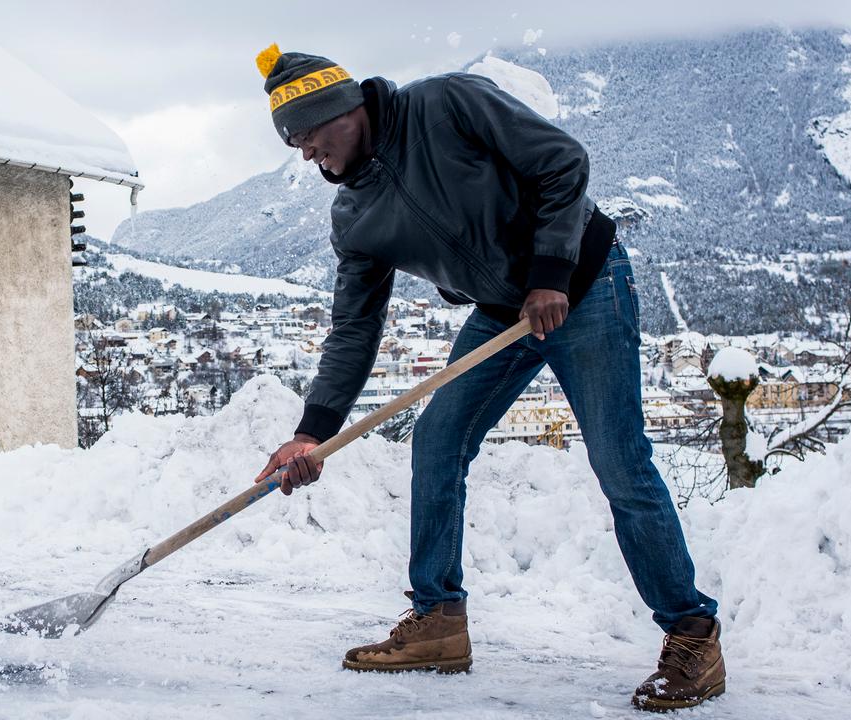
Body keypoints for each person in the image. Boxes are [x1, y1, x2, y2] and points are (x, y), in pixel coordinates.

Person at [249, 44, 724, 711]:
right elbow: (354, 330)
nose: (304, 154)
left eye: (304, 136)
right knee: (438, 440)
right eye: (293, 143)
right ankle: (438, 619)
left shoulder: (445, 104)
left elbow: (563, 162)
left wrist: (552, 273)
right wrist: (312, 431)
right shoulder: (354, 217)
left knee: (619, 459)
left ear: (340, 110)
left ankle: (692, 636)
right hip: (503, 316)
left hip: (582, 286)